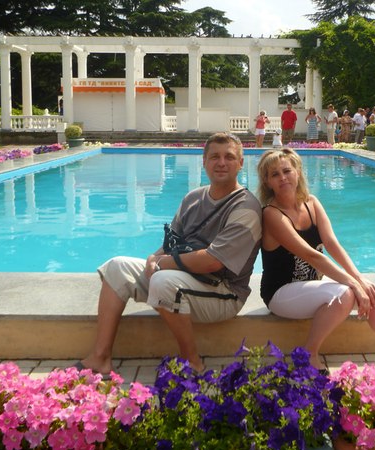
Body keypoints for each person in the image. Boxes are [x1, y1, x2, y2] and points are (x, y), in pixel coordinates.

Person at [77, 133, 262, 376]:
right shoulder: (193, 198)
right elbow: (171, 243)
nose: (221, 163)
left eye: (229, 157)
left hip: (223, 292)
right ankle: (100, 357)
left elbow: (212, 262)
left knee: (163, 281)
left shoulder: (246, 207)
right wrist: (154, 258)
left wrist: (164, 263)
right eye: (214, 157)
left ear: (240, 163)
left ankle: (192, 361)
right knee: (117, 267)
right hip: (185, 278)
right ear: (204, 162)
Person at [257, 148, 375, 372]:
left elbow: (332, 244)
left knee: (371, 293)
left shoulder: (311, 203)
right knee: (346, 292)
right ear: (267, 182)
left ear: (297, 172)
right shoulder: (271, 214)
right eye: (275, 174)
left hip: (310, 288)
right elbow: (311, 255)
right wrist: (353, 283)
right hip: (281, 293)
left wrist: (359, 279)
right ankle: (309, 354)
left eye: (287, 171)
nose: (283, 178)